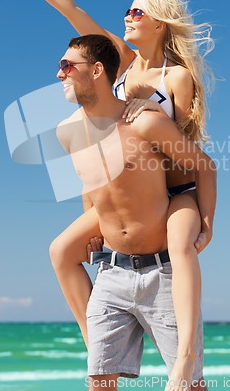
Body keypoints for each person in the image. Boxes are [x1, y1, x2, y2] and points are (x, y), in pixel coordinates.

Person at [0, 0, 215, 389]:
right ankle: (100, 348)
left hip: (171, 187)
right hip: (120, 187)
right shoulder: (119, 62)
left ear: (160, 23)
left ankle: (185, 358)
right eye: (127, 9)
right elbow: (69, 7)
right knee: (61, 251)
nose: (127, 16)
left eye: (137, 11)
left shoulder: (175, 76)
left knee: (182, 245)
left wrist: (144, 120)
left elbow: (180, 154)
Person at [55, 34, 216, 391]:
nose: (59, 74)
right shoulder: (66, 132)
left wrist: (206, 225)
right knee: (99, 380)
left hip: (163, 274)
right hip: (111, 273)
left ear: (97, 71)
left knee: (190, 385)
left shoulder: (144, 123)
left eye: (67, 66)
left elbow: (203, 166)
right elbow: (89, 183)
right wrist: (92, 234)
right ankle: (94, 342)